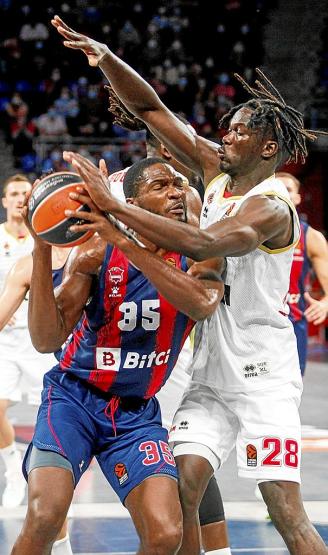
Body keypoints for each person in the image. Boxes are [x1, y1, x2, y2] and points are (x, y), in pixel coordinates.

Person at [52, 15, 328, 555]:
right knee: (182, 485)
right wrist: (108, 59)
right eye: (227, 128)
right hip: (211, 373)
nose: (226, 135)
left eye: (240, 130)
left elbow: (205, 245)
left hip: (263, 376)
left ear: (268, 148)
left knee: (284, 510)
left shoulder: (270, 208)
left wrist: (114, 209)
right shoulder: (217, 172)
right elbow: (153, 112)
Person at [11, 158, 224, 555]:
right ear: (133, 202)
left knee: (164, 533)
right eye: (160, 187)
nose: (176, 192)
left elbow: (202, 304)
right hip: (73, 400)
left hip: (135, 413)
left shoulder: (202, 252)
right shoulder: (95, 253)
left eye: (178, 184)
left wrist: (127, 240)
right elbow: (45, 339)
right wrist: (41, 247)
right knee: (44, 516)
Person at [106, 96, 230, 554]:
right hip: (137, 334)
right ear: (159, 147)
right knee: (173, 462)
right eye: (181, 144)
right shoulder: (181, 194)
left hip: (141, 338)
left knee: (180, 461)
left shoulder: (115, 189)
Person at [0, 245, 73, 555]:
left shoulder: (97, 253)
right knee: (50, 495)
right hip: (49, 371)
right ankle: (12, 468)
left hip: (95, 382)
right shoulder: (24, 266)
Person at [0, 173, 38, 508]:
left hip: (42, 339)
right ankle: (12, 466)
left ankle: (40, 476)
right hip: (6, 341)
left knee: (50, 416)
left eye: (24, 193)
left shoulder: (45, 235)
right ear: (4, 201)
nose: (19, 199)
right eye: (13, 194)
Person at [277, 172, 328, 375]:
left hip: (293, 326)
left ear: (298, 198)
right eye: (276, 188)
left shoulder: (311, 237)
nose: (281, 193)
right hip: (255, 325)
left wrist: (325, 303)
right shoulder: (250, 231)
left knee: (288, 397)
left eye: (287, 190)